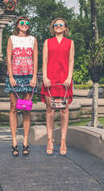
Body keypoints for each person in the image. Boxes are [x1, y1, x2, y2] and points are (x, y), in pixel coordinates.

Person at [41, 18, 75, 155]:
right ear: (53, 27)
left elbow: (71, 61)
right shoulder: (47, 42)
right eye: (56, 24)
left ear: (65, 28)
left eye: (61, 25)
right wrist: (44, 77)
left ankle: (63, 141)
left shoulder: (70, 43)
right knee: (50, 110)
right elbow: (44, 60)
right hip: (50, 79)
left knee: (64, 111)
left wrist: (69, 77)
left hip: (64, 80)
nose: (58, 26)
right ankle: (49, 140)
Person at [5, 16, 38, 156]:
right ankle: (14, 141)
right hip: (15, 76)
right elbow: (8, 57)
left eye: (27, 23)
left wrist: (35, 77)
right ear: (17, 25)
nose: (25, 25)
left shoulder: (33, 40)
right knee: (13, 108)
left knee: (26, 109)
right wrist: (11, 76)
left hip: (29, 76)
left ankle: (25, 141)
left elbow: (35, 59)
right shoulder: (12, 38)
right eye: (22, 23)